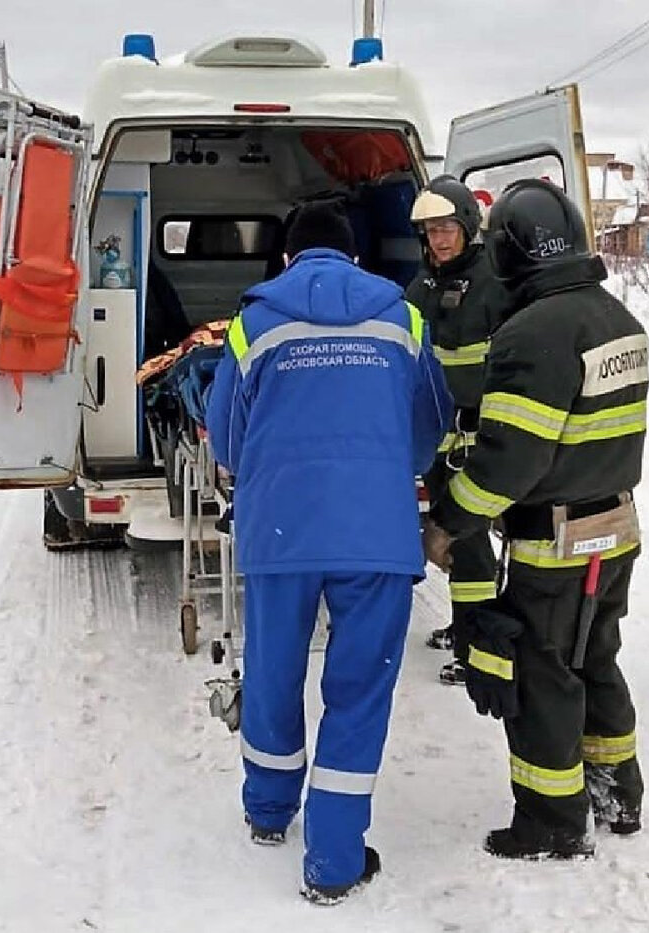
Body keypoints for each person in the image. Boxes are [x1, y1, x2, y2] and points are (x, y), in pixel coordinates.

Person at [205, 200, 450, 903]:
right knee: (359, 689)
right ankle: (335, 860)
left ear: (288, 258)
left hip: (280, 529)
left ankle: (269, 809)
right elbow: (429, 421)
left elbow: (225, 436)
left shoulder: (255, 322)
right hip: (376, 531)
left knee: (276, 670)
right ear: (354, 257)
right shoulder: (401, 317)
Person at [423, 179, 649, 860]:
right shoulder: (618, 319)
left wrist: (450, 517)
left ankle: (552, 819)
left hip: (555, 540)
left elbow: (506, 463)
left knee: (541, 671)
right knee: (596, 658)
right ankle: (617, 791)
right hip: (616, 527)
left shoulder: (532, 334)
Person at [407, 175, 513, 686]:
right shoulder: (422, 284)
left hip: (477, 439)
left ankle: (477, 649)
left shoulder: (496, 281)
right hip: (439, 439)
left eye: (447, 228)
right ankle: (465, 625)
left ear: (469, 226)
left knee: (469, 541)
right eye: (430, 231)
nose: (439, 240)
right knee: (452, 535)